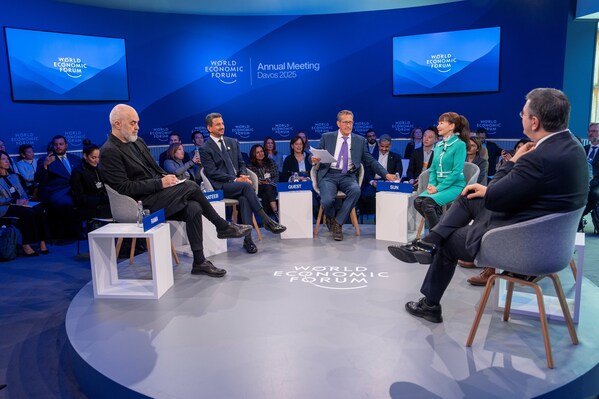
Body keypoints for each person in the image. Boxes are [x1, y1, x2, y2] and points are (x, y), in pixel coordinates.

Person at [388, 88, 588, 323]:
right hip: (545, 234)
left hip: (526, 242)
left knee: (450, 241)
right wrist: (488, 190)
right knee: (470, 195)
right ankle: (428, 242)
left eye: (523, 113)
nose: (520, 116)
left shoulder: (539, 158)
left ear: (534, 121)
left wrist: (513, 160)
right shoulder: (572, 146)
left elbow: (495, 197)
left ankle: (430, 302)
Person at [101, 104, 252, 278]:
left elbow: (156, 169)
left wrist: (170, 180)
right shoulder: (109, 151)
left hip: (157, 194)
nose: (137, 127)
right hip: (139, 203)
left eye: (137, 123)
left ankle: (199, 262)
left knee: (194, 207)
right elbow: (123, 187)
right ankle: (222, 226)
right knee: (190, 186)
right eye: (133, 123)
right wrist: (160, 183)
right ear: (117, 124)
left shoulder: (138, 141)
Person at [200, 112, 286, 254]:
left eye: (222, 123)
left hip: (239, 184)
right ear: (209, 128)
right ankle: (267, 220)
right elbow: (212, 172)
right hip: (221, 186)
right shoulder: (205, 148)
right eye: (218, 124)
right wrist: (235, 179)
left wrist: (244, 175)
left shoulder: (232, 142)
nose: (222, 127)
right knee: (246, 187)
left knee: (245, 196)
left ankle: (248, 241)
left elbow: (241, 164)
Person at [311, 110, 395, 241]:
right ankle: (331, 218)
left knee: (356, 191)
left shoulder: (360, 140)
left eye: (351, 122)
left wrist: (385, 174)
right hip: (329, 175)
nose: (348, 125)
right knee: (326, 201)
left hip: (348, 176)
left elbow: (371, 161)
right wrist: (314, 159)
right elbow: (316, 155)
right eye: (345, 122)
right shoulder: (327, 137)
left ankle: (337, 224)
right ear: (338, 123)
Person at [413, 113, 469, 231]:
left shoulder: (460, 145)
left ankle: (436, 237)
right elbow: (433, 169)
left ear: (451, 126)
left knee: (427, 203)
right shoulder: (438, 145)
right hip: (438, 185)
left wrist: (438, 188)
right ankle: (441, 230)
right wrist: (432, 184)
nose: (438, 126)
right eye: (438, 123)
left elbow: (456, 172)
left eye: (441, 123)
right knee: (418, 202)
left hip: (454, 185)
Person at [0, 150, 49, 256]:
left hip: (20, 204)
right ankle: (26, 244)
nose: (7, 161)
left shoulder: (14, 176)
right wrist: (14, 201)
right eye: (3, 159)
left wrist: (24, 200)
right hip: (5, 207)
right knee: (27, 213)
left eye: (7, 159)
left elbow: (23, 192)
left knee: (39, 210)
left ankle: (42, 241)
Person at [34, 135, 82, 239]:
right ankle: (66, 235)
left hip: (75, 190)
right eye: (56, 144)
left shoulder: (76, 159)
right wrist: (45, 165)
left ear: (66, 145)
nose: (58, 147)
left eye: (61, 144)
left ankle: (83, 231)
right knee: (66, 203)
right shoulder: (45, 160)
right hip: (57, 192)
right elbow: (38, 178)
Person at [360, 135, 403, 216]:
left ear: (390, 146)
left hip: (389, 183)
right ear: (378, 144)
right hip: (374, 183)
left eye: (387, 147)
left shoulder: (396, 157)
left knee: (392, 198)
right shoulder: (371, 156)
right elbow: (367, 171)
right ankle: (376, 214)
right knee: (366, 195)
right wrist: (372, 182)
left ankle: (386, 214)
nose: (384, 149)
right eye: (382, 146)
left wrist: (390, 180)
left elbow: (398, 172)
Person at [70, 142, 112, 221]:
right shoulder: (77, 172)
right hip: (88, 208)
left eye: (98, 157)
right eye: (93, 157)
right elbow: (80, 198)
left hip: (102, 204)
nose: (97, 160)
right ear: (85, 156)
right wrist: (102, 200)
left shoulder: (98, 168)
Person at [247, 144, 279, 219]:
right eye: (257, 152)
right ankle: (276, 212)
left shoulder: (271, 162)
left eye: (261, 151)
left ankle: (266, 219)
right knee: (267, 189)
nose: (260, 154)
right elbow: (252, 180)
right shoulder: (250, 166)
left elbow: (276, 176)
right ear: (253, 154)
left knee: (267, 192)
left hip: (272, 186)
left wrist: (269, 181)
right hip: (259, 188)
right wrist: (258, 182)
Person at [581, 122, 599, 233]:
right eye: (589, 131)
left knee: (594, 194)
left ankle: (579, 217)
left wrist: (591, 183)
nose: (590, 133)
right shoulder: (583, 149)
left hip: (597, 183)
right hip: (581, 181)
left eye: (594, 131)